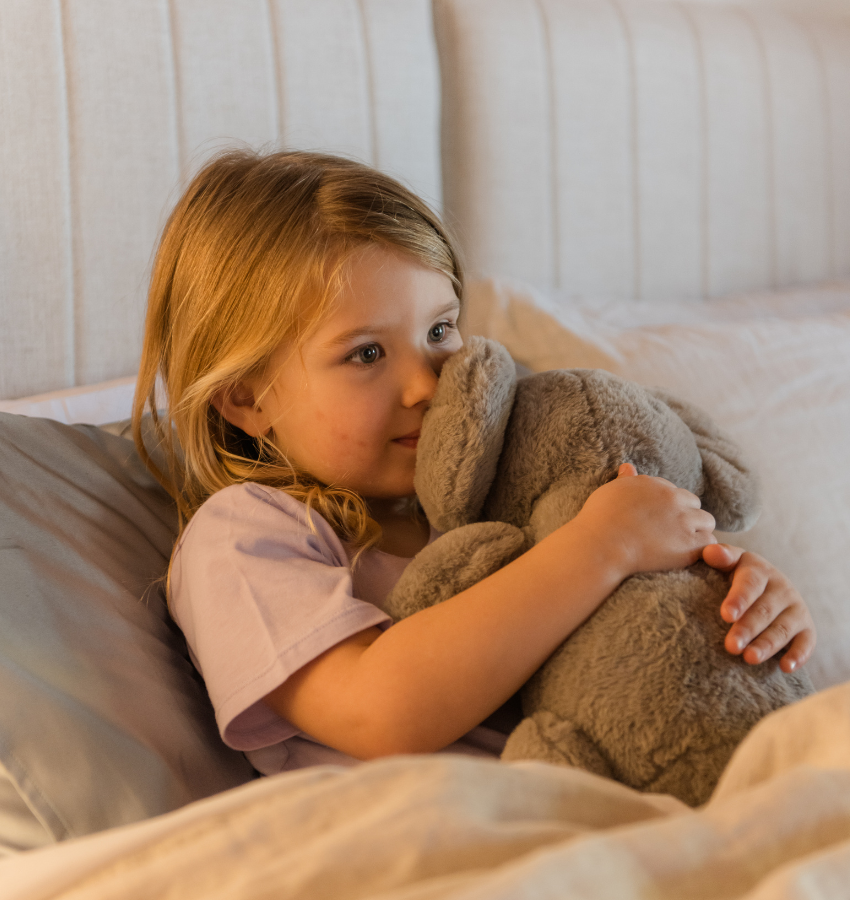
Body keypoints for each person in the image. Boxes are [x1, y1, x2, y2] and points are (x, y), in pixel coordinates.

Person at [134, 150, 816, 776]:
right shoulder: (245, 536)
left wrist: (732, 606)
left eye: (439, 331)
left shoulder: (502, 489)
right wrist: (602, 549)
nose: (428, 384)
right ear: (246, 398)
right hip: (450, 836)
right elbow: (380, 711)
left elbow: (626, 646)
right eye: (366, 354)